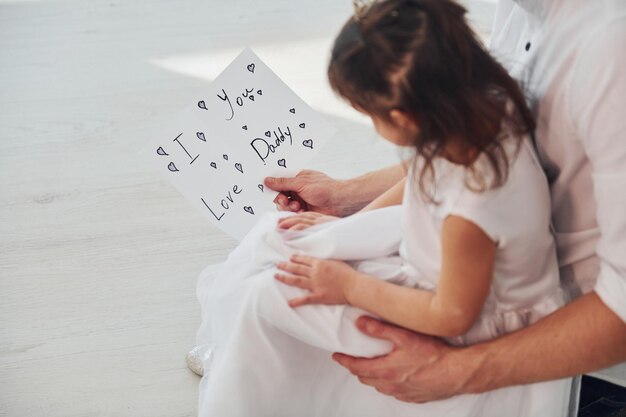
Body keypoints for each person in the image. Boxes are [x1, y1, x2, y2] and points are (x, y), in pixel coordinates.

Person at [195, 1, 573, 415]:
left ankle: (243, 385)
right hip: (433, 267)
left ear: (401, 116)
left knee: (270, 295)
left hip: (467, 325)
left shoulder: (474, 205)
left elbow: (451, 316)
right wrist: (344, 225)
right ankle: (238, 357)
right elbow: (423, 178)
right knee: (280, 236)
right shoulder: (476, 108)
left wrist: (348, 285)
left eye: (370, 116)